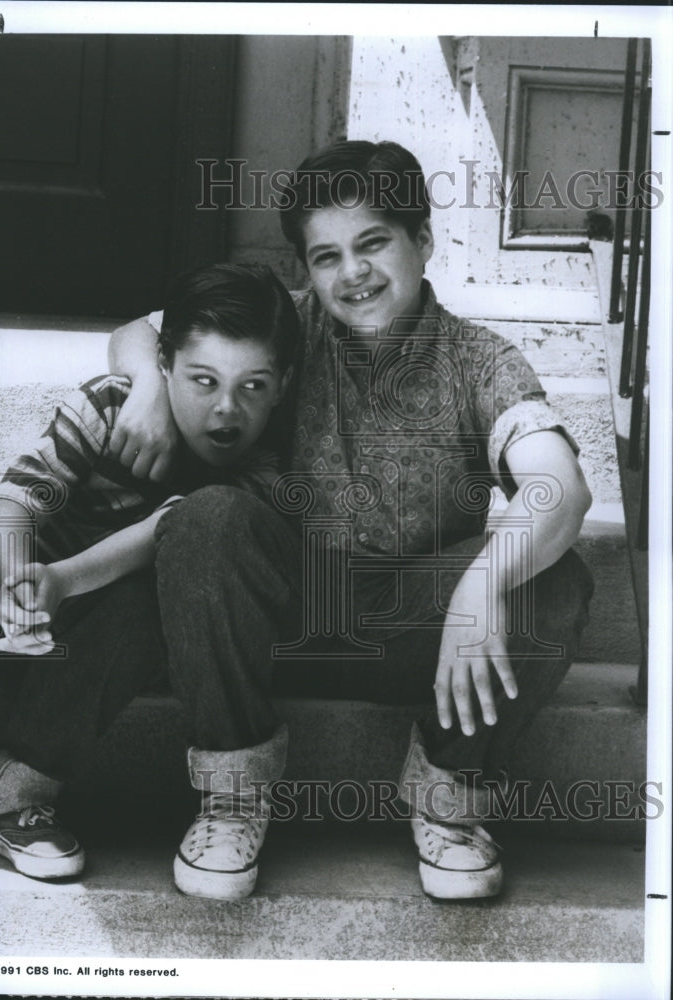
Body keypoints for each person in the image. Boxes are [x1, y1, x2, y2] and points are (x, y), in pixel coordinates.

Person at [108, 140, 594, 902]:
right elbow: (149, 329)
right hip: (278, 613)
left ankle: (447, 800)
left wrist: (479, 588)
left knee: (554, 582)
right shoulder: (285, 326)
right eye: (326, 256)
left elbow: (558, 488)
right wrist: (144, 383)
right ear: (306, 268)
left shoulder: (479, 360)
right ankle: (232, 796)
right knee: (207, 520)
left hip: (413, 632)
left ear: (423, 241)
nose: (353, 273)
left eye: (372, 243)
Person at [0, 263, 298, 881]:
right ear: (164, 368)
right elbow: (13, 501)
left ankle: (12, 794)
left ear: (282, 385)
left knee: (143, 612)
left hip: (106, 603)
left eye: (253, 387)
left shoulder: (265, 471)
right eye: (203, 380)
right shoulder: (112, 402)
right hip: (39, 571)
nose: (225, 409)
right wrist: (14, 576)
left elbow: (157, 535)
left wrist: (57, 583)